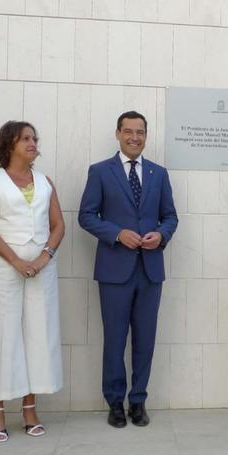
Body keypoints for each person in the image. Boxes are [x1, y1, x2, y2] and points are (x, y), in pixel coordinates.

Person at [78, 110, 178, 428]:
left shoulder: (158, 174)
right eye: (129, 131)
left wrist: (161, 235)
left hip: (149, 270)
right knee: (115, 339)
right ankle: (115, 402)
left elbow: (171, 216)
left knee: (145, 339)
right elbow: (86, 215)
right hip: (114, 270)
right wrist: (117, 233)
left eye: (141, 132)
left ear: (146, 136)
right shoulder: (100, 172)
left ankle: (138, 401)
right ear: (118, 134)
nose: (135, 137)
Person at [0, 121, 65, 442]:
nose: (32, 143)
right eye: (25, 138)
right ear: (9, 143)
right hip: (3, 269)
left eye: (34, 138)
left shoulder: (45, 181)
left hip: (42, 271)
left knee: (38, 335)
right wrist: (15, 260)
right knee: (4, 334)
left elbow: (58, 225)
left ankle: (30, 407)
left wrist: (44, 257)